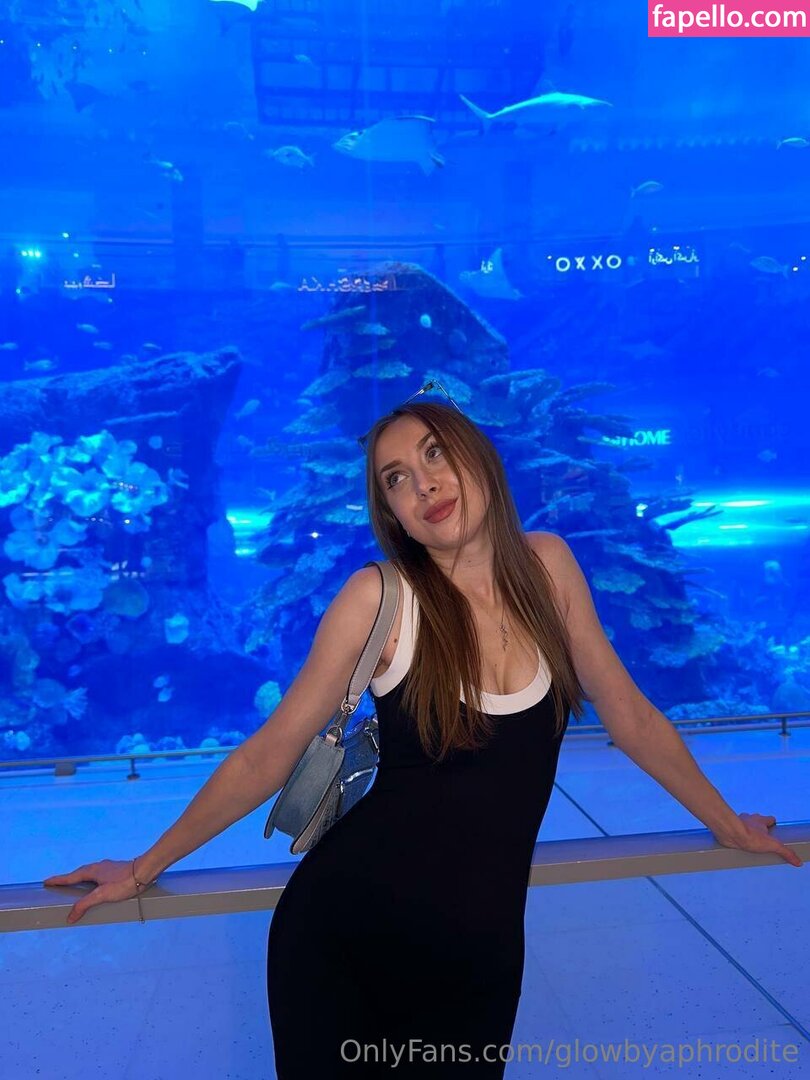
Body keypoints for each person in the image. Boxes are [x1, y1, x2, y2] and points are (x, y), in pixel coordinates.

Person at [44, 385, 803, 1079]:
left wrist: (725, 822)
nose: (424, 485)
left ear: (478, 456)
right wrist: (144, 867)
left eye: (435, 455)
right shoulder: (378, 597)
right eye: (396, 479)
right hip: (345, 939)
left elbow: (631, 717)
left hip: (483, 951)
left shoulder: (549, 568)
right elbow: (268, 754)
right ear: (392, 514)